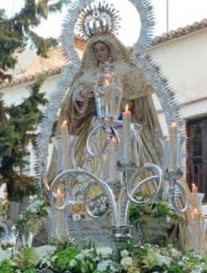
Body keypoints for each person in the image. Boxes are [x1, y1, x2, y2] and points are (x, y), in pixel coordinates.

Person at [59, 29, 165, 173]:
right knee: (94, 163)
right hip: (97, 125)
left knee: (129, 161)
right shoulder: (87, 75)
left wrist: (124, 103)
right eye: (96, 50)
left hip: (123, 124)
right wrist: (79, 96)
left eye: (102, 49)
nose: (99, 53)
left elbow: (138, 97)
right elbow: (71, 105)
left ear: (110, 49)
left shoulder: (124, 69)